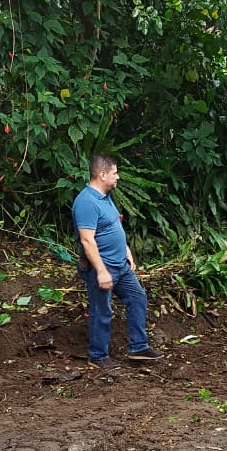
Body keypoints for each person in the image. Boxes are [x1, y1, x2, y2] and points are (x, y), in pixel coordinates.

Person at [72, 154, 163, 368]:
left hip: (121, 265)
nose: (118, 177)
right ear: (102, 175)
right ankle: (98, 356)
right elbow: (87, 240)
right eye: (115, 173)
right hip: (102, 266)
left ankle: (138, 348)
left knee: (137, 297)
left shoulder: (105, 197)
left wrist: (126, 251)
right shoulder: (86, 202)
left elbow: (114, 225)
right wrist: (101, 271)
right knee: (101, 311)